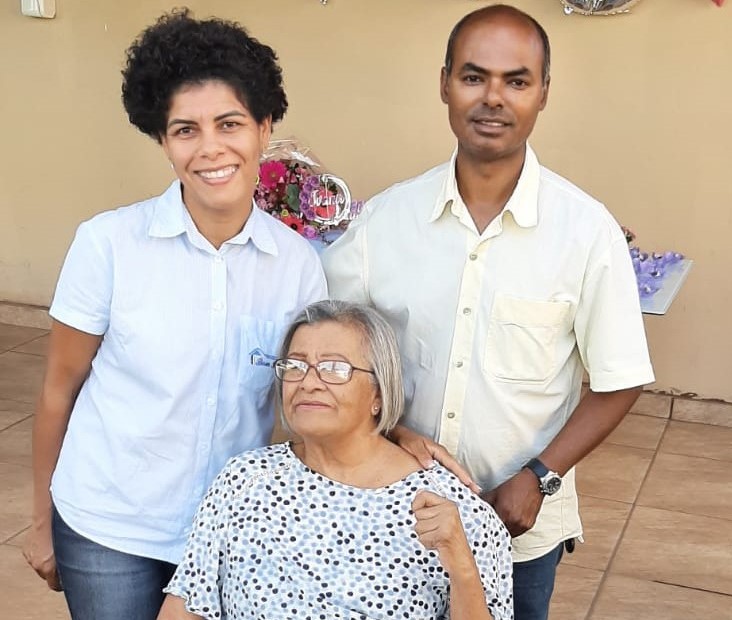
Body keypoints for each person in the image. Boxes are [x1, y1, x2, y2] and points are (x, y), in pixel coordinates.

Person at [321, 5, 654, 620]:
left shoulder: (585, 232)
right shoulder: (385, 224)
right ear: (444, 82)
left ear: (544, 93)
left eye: (517, 81)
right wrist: (389, 431)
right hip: (390, 507)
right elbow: (333, 351)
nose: (493, 98)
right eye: (474, 77)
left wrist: (540, 476)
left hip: (519, 526)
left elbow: (620, 378)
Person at [22, 9, 327, 620]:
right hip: (109, 526)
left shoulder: (298, 266)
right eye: (185, 130)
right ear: (162, 140)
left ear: (265, 129)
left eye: (231, 123)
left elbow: (304, 410)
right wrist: (40, 520)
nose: (210, 148)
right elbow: (60, 389)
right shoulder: (108, 244)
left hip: (230, 530)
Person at [157, 300, 513, 620]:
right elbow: (187, 607)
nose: (308, 382)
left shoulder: (454, 512)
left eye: (334, 368)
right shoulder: (245, 480)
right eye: (295, 366)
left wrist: (462, 567)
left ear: (379, 392)